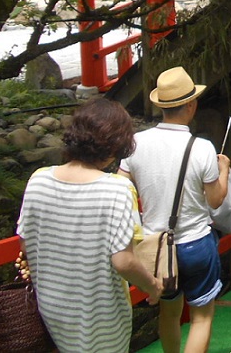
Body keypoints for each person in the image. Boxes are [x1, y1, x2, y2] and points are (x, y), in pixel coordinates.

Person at [18, 98, 163, 353]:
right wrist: (152, 285)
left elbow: (26, 243)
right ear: (117, 145)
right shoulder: (117, 189)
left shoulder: (38, 180)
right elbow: (123, 262)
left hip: (52, 307)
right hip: (99, 313)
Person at [120, 66, 231, 353]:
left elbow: (121, 189)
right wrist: (224, 170)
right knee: (201, 317)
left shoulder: (135, 143)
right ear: (191, 105)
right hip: (195, 243)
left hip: (155, 247)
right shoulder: (202, 147)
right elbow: (216, 200)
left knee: (169, 314)